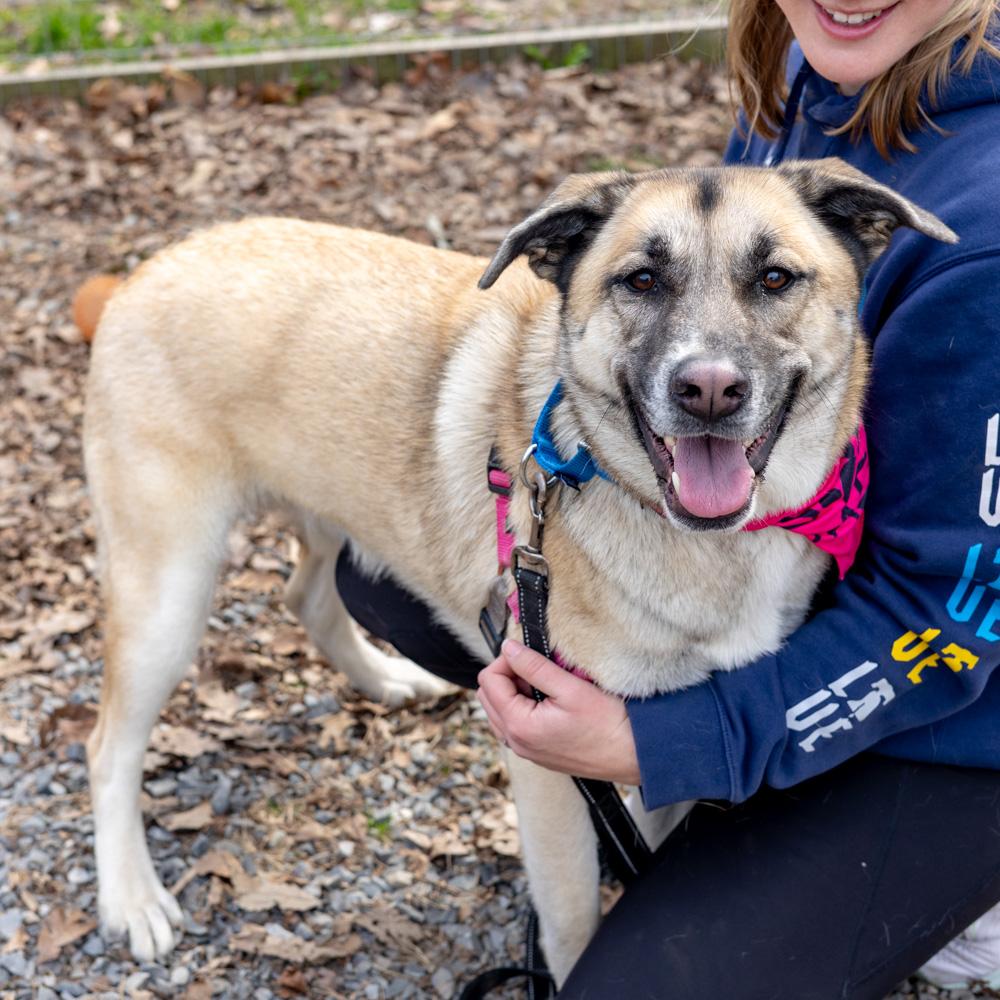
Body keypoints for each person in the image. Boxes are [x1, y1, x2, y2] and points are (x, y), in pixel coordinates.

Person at [337, 1, 1000, 995]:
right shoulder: (816, 70)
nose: (709, 373)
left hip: (959, 714)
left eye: (776, 277)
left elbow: (951, 620)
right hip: (830, 587)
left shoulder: (985, 232)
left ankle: (960, 901)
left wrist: (669, 741)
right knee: (395, 581)